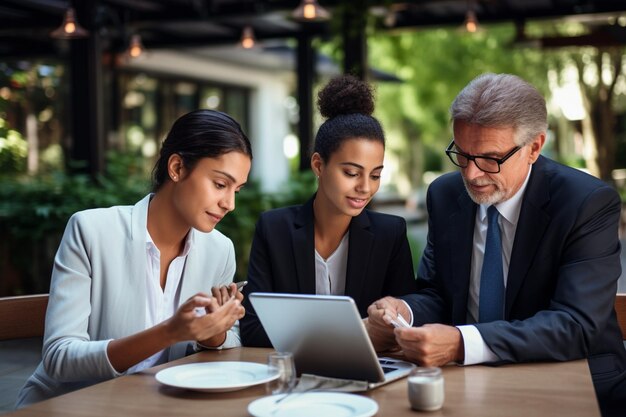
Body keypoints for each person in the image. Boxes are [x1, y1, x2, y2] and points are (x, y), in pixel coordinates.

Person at [365, 73, 626, 417]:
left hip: (569, 379)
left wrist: (461, 343)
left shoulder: (586, 202)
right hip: (463, 382)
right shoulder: (445, 195)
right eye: (462, 153)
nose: (471, 174)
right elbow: (438, 294)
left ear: (534, 147)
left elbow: (575, 324)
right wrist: (405, 311)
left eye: (490, 158)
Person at [16, 109, 252, 408]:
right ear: (177, 168)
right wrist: (170, 332)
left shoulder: (220, 250)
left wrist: (214, 335)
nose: (229, 203)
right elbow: (60, 358)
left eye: (237, 190)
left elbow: (228, 346)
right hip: (72, 407)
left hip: (160, 407)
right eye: (220, 184)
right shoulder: (90, 231)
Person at [240, 75, 417, 347]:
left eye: (375, 175)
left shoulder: (390, 234)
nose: (365, 188)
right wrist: (357, 331)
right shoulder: (274, 229)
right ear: (318, 166)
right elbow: (253, 329)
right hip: (292, 375)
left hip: (367, 376)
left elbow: (401, 328)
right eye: (351, 173)